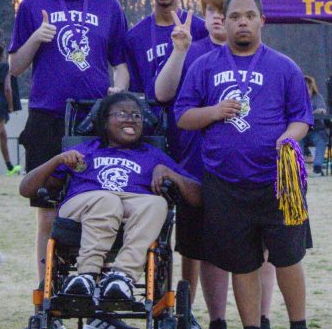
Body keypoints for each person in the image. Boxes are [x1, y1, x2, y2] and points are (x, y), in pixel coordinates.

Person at [175, 0, 314, 329]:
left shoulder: (284, 67)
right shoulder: (203, 65)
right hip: (225, 182)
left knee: (287, 257)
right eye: (234, 16)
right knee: (242, 261)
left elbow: (302, 116)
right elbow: (183, 116)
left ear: (261, 21)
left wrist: (288, 138)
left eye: (249, 16)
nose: (242, 22)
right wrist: (215, 111)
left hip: (278, 181)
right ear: (224, 20)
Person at [9, 0, 130, 329]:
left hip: (95, 119)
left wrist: (120, 93)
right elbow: (15, 66)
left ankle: (100, 304)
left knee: (107, 206)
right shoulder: (34, 3)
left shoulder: (109, 5)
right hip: (47, 118)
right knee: (48, 214)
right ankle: (49, 305)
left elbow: (120, 63)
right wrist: (37, 38)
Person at [154, 0, 279, 329]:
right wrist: (179, 52)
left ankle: (262, 321)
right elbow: (166, 97)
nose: (219, 19)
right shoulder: (194, 52)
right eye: (210, 11)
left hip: (255, 169)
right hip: (199, 166)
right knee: (208, 248)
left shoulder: (266, 59)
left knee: (261, 250)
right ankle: (217, 322)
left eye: (225, 12)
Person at [19, 92, 200, 302]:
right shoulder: (84, 150)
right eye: (122, 113)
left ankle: (122, 277)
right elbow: (26, 189)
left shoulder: (153, 154)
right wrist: (57, 160)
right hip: (84, 203)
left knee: (157, 203)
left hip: (134, 204)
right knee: (107, 201)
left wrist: (171, 174)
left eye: (137, 115)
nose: (130, 119)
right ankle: (87, 274)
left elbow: (197, 198)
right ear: (105, 121)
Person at [124, 0, 208, 329]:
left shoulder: (201, 29)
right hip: (152, 142)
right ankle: (152, 303)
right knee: (151, 227)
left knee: (189, 234)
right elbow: (130, 91)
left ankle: (186, 309)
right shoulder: (136, 35)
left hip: (191, 142)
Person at [0, 44, 22, 176]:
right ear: (2, 54)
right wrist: (11, 106)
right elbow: (7, 88)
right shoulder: (6, 66)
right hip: (1, 106)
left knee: (3, 137)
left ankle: (10, 167)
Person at [300, 76, 329, 176]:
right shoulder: (295, 99)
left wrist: (318, 111)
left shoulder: (317, 97)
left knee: (321, 140)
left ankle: (317, 167)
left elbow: (323, 110)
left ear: (312, 89)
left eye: (308, 88)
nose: (307, 91)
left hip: (315, 129)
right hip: (300, 129)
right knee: (296, 141)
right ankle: (299, 168)